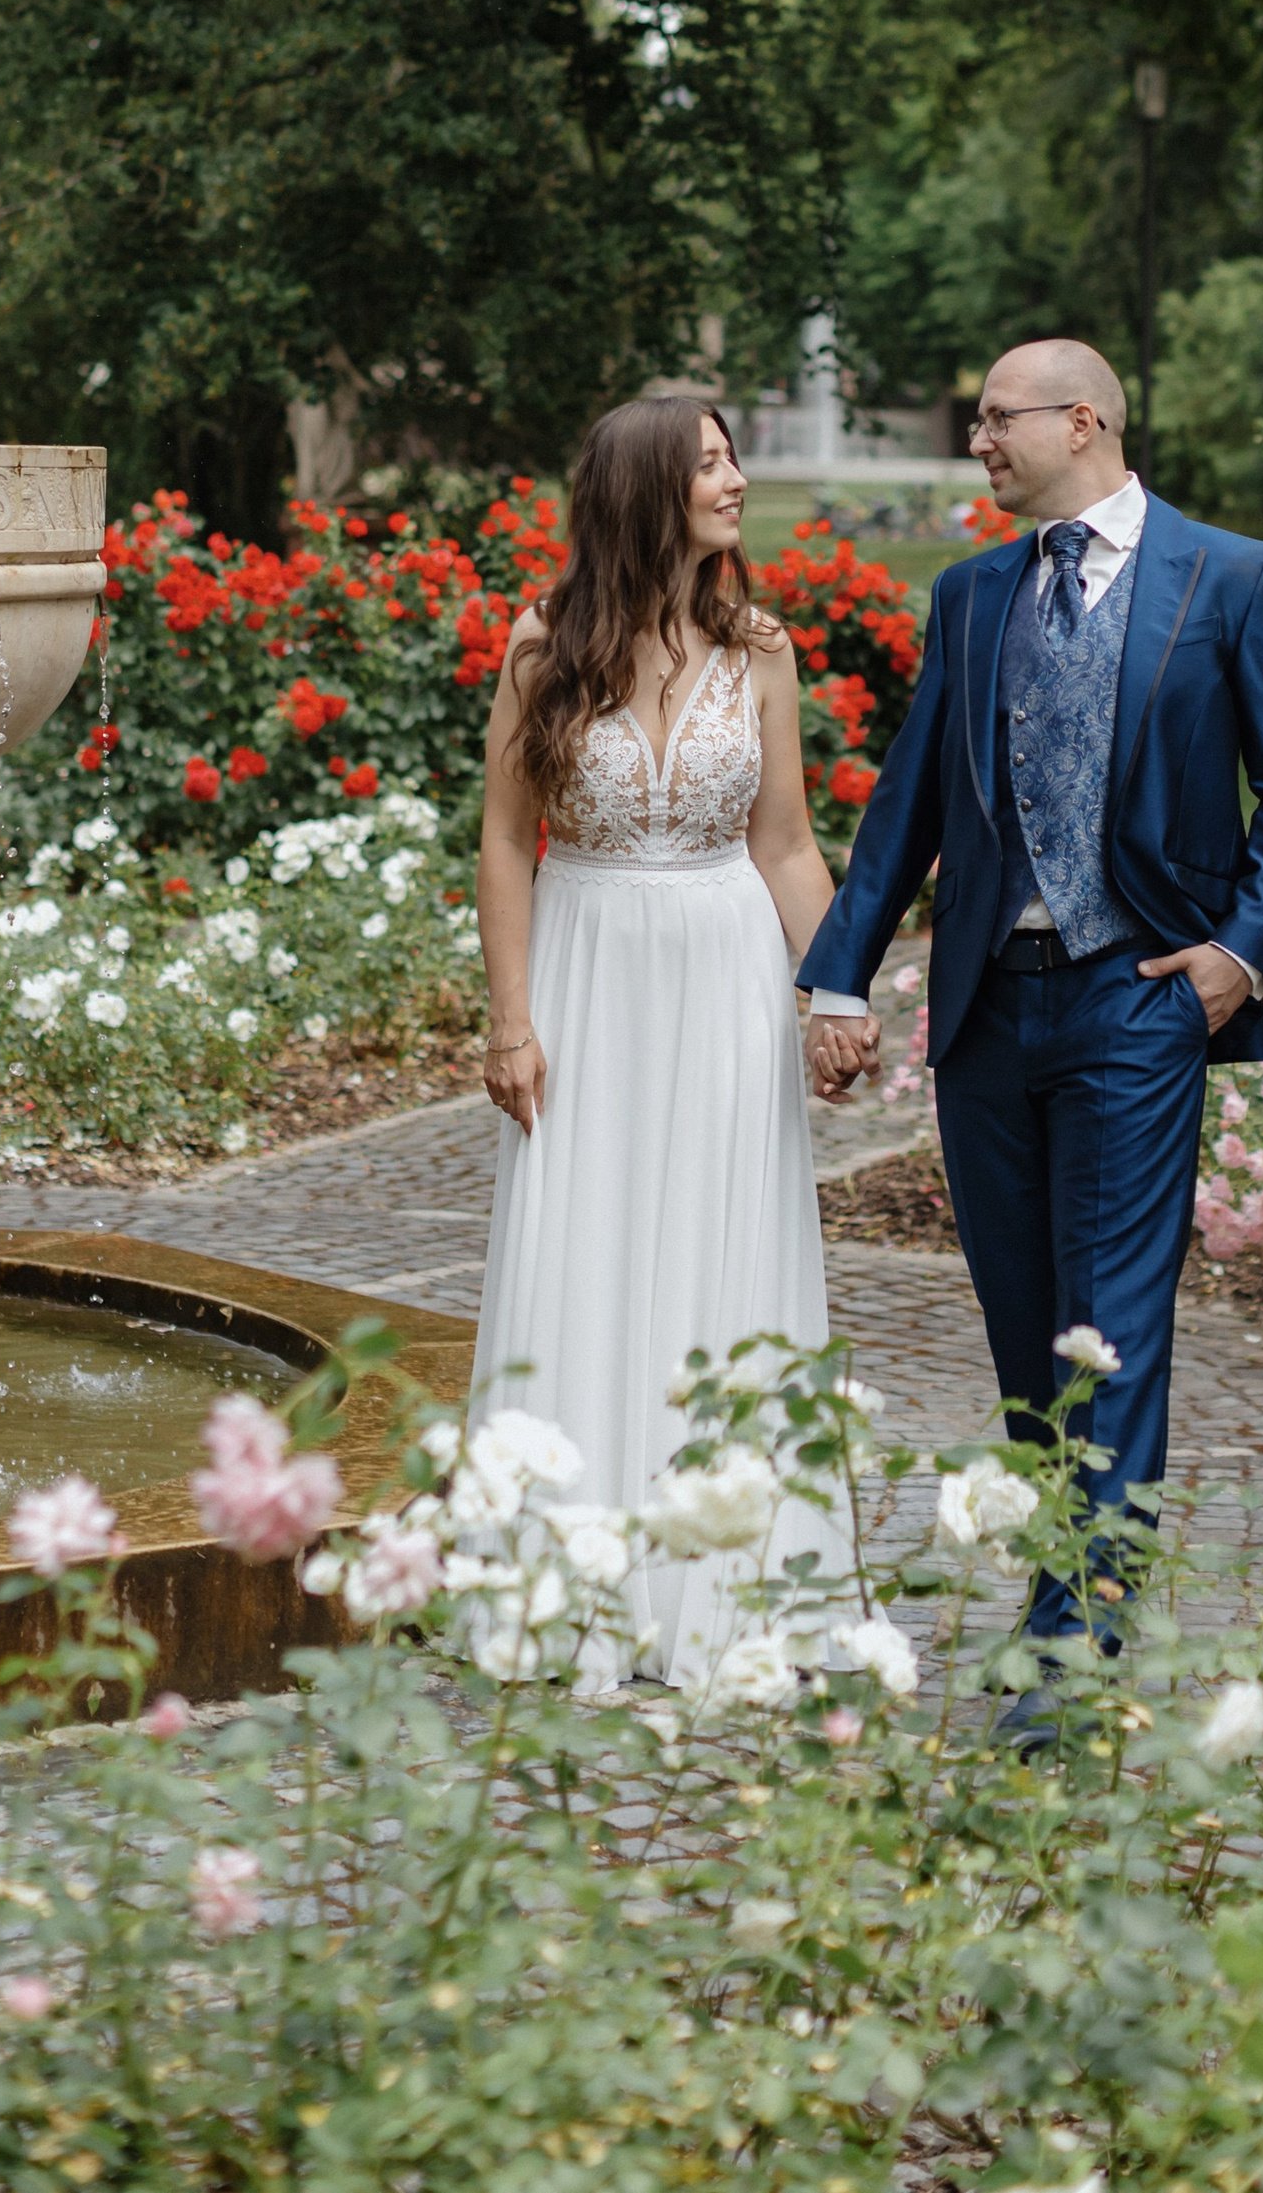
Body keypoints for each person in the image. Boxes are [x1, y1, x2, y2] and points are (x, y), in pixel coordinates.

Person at [796, 337, 1263, 1644]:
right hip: (987, 1009)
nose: (977, 440)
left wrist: (1237, 954)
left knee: (1112, 1326)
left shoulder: (1230, 576)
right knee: (1024, 1324)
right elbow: (912, 800)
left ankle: (1078, 1638)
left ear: (1080, 420)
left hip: (1137, 999)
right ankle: (1061, 1580)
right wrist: (839, 977)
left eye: (996, 418)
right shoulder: (973, 594)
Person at [472, 394, 841, 1677]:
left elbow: (784, 844)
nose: (736, 480)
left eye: (734, 459)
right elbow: (506, 840)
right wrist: (511, 1020)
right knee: (585, 1242)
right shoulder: (543, 644)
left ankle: (722, 1583)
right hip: (587, 968)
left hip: (726, 969)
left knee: (720, 1238)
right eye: (710, 463)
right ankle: (574, 1579)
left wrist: (835, 993)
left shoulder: (762, 648)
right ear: (644, 491)